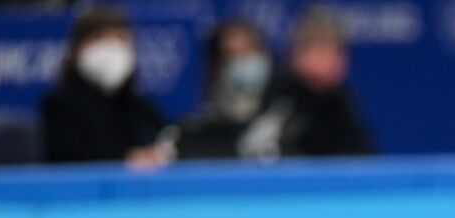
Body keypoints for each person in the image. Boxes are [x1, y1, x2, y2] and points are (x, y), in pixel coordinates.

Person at [40, 5, 169, 165]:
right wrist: (126, 158)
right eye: (100, 38)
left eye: (120, 38)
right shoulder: (59, 105)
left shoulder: (138, 106)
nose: (112, 48)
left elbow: (168, 138)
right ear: (78, 48)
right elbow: (69, 157)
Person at [262, 5, 376, 157]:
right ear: (294, 51)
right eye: (313, 44)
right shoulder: (274, 92)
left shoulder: (339, 97)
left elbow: (363, 156)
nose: (323, 56)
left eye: (332, 47)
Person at [177, 18, 277, 160]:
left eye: (250, 51)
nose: (245, 62)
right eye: (233, 54)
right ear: (216, 65)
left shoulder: (289, 124)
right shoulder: (195, 132)